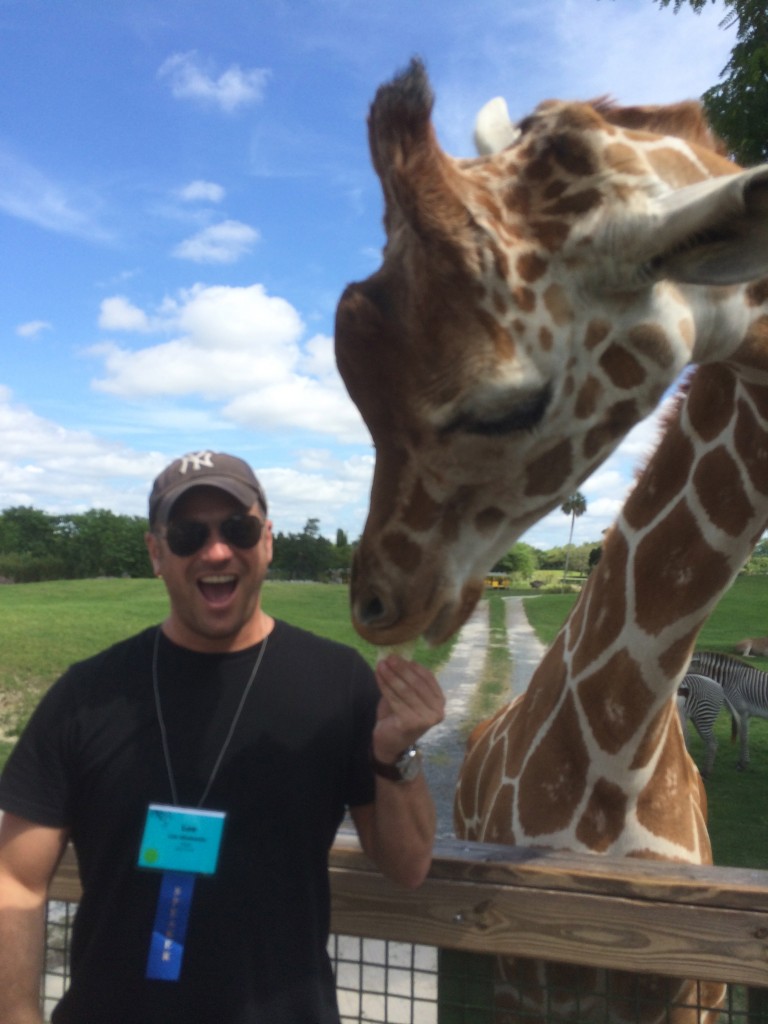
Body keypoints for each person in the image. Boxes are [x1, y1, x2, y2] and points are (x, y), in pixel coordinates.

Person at [0, 450, 446, 1024]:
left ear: (267, 540)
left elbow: (408, 867)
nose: (216, 551)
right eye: (188, 534)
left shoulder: (339, 683)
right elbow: (15, 877)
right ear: (156, 553)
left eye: (237, 528)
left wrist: (396, 756)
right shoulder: (87, 694)